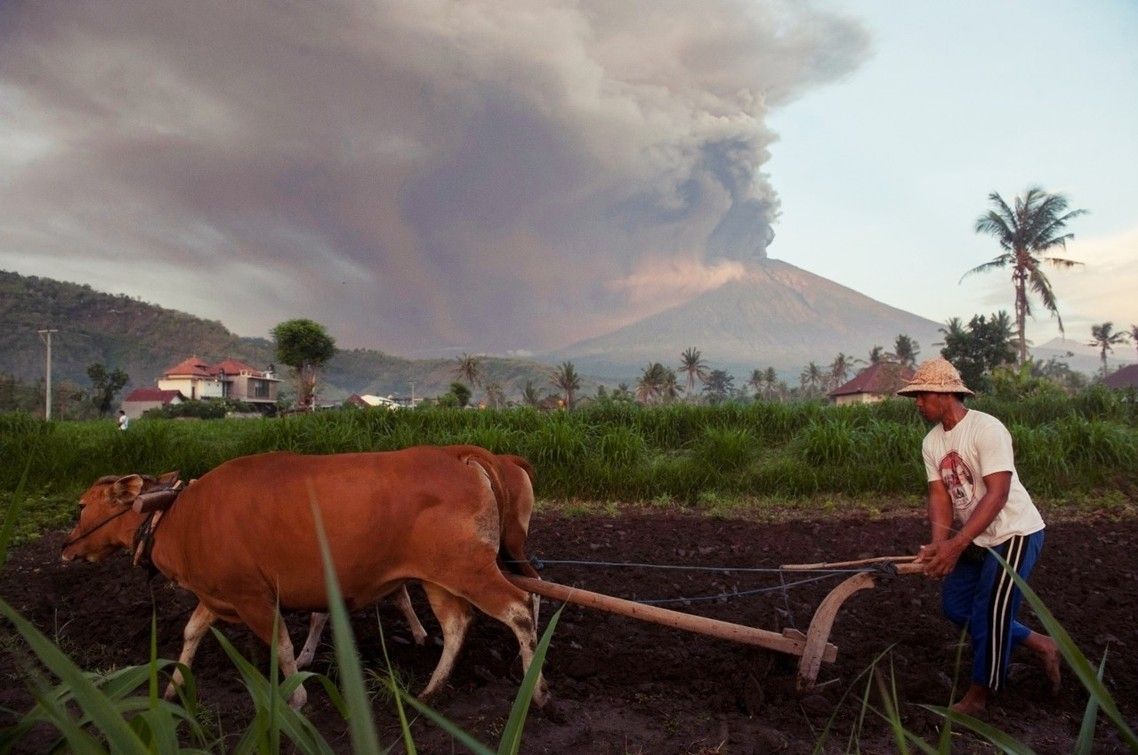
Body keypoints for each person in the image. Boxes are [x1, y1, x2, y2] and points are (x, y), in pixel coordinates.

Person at [899, 357, 1061, 716]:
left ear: (945, 394)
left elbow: (997, 494)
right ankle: (1040, 643)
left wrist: (956, 545)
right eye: (916, 397)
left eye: (922, 395)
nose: (918, 403)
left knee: (990, 612)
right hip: (977, 536)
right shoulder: (932, 442)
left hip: (1013, 532)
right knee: (956, 606)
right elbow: (940, 496)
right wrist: (939, 542)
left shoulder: (987, 429)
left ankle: (980, 696)